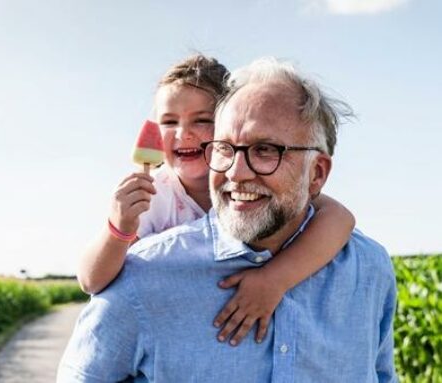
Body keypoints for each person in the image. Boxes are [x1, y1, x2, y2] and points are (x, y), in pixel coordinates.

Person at [58, 57, 397, 382]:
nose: (236, 172)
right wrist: (118, 230)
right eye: (225, 148)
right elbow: (91, 280)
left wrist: (275, 278)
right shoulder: (143, 269)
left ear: (317, 174)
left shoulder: (369, 269)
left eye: (265, 149)